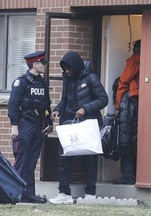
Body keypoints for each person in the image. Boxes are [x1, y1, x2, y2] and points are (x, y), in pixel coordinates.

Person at [49, 51, 108, 204]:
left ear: (75, 66)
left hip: (86, 124)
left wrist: (85, 109)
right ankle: (64, 193)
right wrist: (57, 109)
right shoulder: (67, 79)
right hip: (68, 124)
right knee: (64, 159)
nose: (67, 71)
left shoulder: (91, 78)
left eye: (69, 68)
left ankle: (90, 193)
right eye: (65, 69)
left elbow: (103, 99)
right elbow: (66, 99)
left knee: (89, 158)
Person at [8, 51, 53, 204]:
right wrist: (14, 126)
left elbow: (46, 105)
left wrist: (49, 122)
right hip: (24, 123)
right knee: (22, 158)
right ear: (35, 64)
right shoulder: (21, 82)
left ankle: (29, 193)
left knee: (32, 160)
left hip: (37, 124)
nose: (45, 65)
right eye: (43, 63)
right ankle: (12, 192)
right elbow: (13, 105)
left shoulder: (41, 83)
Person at [113, 39, 141, 185]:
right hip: (144, 103)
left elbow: (123, 82)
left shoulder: (135, 60)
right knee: (138, 139)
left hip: (131, 103)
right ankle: (138, 174)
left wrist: (117, 106)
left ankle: (128, 175)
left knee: (126, 139)